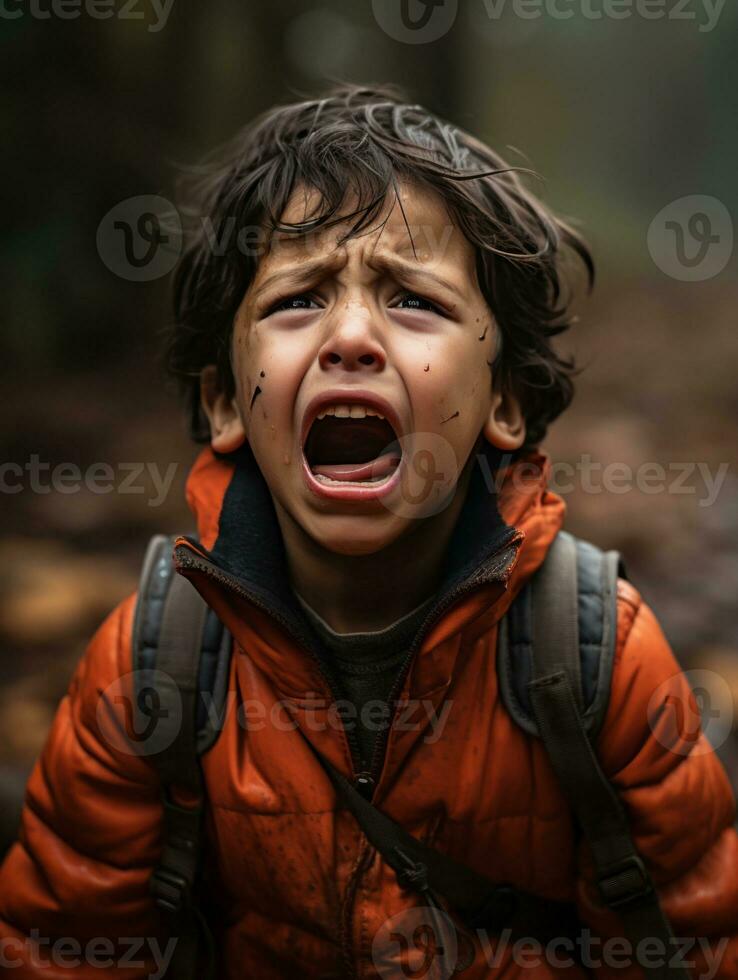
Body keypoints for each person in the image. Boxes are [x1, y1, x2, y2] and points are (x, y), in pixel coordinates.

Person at [1, 85, 736, 979]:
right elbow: (56, 952)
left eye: (415, 302)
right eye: (297, 300)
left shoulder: (597, 660)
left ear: (503, 401)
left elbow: (694, 953)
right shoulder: (154, 662)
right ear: (227, 400)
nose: (351, 336)